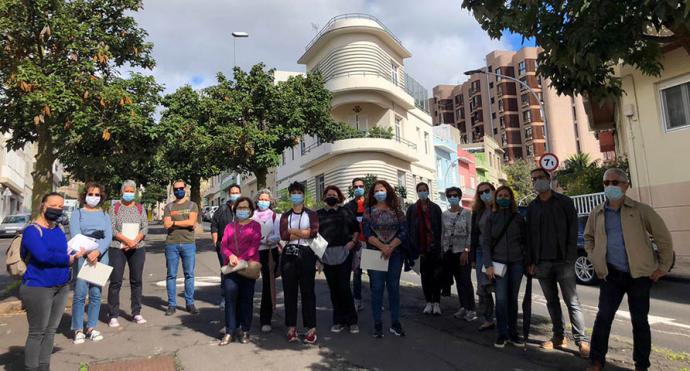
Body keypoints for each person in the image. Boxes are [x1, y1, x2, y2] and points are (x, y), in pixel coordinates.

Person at [585, 168, 674, 371]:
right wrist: (594, 256)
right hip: (611, 274)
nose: (610, 186)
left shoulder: (641, 210)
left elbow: (663, 238)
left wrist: (663, 267)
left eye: (615, 182)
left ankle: (642, 364)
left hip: (640, 276)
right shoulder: (597, 212)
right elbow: (589, 238)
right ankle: (597, 360)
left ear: (626, 185)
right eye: (606, 183)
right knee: (603, 317)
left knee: (640, 321)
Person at [526, 168, 590, 357]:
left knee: (572, 301)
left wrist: (570, 257)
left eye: (541, 178)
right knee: (551, 302)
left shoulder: (565, 202)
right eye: (534, 179)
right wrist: (530, 261)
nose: (538, 181)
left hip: (564, 261)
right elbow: (529, 236)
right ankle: (559, 336)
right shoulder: (532, 207)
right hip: (542, 263)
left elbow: (572, 231)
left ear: (549, 179)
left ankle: (582, 340)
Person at [21, 193, 86, 371]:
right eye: (53, 205)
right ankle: (31, 368)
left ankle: (44, 367)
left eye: (60, 206)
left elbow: (64, 250)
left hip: (61, 285)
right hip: (38, 286)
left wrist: (74, 253)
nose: (57, 209)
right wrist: (67, 260)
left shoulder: (58, 229)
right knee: (37, 332)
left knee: (50, 331)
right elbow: (42, 256)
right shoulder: (32, 231)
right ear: (43, 205)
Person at [483, 186, 528, 348]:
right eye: (500, 195)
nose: (503, 197)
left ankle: (514, 333)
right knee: (501, 300)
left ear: (511, 198)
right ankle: (502, 333)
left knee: (513, 299)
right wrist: (488, 265)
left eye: (506, 195)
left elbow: (525, 240)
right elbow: (486, 243)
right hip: (498, 264)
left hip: (517, 263)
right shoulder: (491, 218)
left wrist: (525, 260)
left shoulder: (518, 218)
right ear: (496, 198)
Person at [363, 180, 408, 338]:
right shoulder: (369, 210)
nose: (379, 192)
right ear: (372, 194)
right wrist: (383, 247)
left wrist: (391, 247)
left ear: (388, 191)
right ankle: (377, 324)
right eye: (376, 190)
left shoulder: (397, 210)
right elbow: (367, 233)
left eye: (382, 189)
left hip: (395, 254)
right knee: (376, 289)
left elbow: (404, 231)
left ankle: (395, 323)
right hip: (375, 253)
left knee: (394, 288)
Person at [70, 182, 113, 344]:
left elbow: (108, 236)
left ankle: (92, 327)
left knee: (96, 293)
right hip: (82, 255)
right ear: (85, 195)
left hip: (101, 256)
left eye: (97, 195)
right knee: (80, 293)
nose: (93, 197)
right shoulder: (77, 214)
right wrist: (88, 251)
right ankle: (78, 329)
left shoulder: (105, 215)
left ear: (101, 197)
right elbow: (75, 234)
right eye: (91, 194)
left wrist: (98, 251)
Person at [279, 181, 320, 344]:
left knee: (308, 292)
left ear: (303, 195)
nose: (296, 196)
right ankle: (291, 328)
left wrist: (293, 232)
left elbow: (314, 232)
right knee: (289, 293)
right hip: (289, 255)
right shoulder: (285, 215)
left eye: (299, 193)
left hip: (307, 254)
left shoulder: (311, 214)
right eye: (293, 193)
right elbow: (283, 235)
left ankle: (311, 328)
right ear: (290, 196)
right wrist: (303, 233)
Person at [219, 197, 261, 345]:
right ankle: (230, 331)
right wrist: (230, 256)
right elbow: (223, 244)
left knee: (246, 300)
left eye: (245, 208)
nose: (242, 210)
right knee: (230, 298)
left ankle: (245, 330)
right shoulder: (230, 227)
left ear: (250, 210)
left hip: (248, 267)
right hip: (232, 268)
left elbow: (254, 246)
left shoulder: (255, 225)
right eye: (240, 208)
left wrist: (240, 259)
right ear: (235, 209)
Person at [318, 185, 360, 334]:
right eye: (329, 194)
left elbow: (356, 229)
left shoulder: (346, 212)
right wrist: (319, 258)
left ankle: (352, 320)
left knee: (344, 287)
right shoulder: (319, 215)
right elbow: (315, 236)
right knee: (334, 289)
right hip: (327, 255)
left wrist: (352, 242)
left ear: (339, 197)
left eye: (334, 195)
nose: (332, 197)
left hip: (344, 253)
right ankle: (338, 320)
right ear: (324, 197)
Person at [107, 180, 149, 327]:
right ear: (122, 192)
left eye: (132, 191)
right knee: (116, 281)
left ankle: (136, 312)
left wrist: (134, 241)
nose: (129, 194)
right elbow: (111, 228)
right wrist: (126, 241)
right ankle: (113, 314)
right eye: (127, 191)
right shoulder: (114, 208)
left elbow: (145, 227)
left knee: (136, 280)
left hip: (137, 248)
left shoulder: (139, 208)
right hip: (118, 248)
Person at [163, 179, 200, 316]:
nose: (178, 191)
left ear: (185, 189)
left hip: (188, 243)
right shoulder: (169, 207)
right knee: (171, 275)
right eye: (176, 189)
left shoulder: (192, 205)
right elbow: (166, 225)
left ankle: (189, 303)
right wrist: (185, 223)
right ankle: (171, 304)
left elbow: (192, 222)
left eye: (181, 188)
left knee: (189, 274)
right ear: (173, 191)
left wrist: (174, 222)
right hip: (171, 244)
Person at [406, 182, 443, 315]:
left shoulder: (435, 208)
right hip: (419, 249)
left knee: (436, 276)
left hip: (434, 248)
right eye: (420, 190)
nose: (422, 192)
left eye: (424, 190)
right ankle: (428, 302)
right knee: (425, 277)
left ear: (428, 191)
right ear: (417, 192)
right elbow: (409, 229)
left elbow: (440, 228)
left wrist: (440, 246)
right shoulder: (412, 210)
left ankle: (437, 302)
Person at [441, 187, 476, 321]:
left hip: (463, 252)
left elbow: (470, 232)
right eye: (450, 195)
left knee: (466, 280)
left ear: (459, 197)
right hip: (449, 252)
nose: (452, 197)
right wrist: (442, 250)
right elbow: (443, 233)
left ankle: (471, 309)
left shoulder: (467, 213)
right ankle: (463, 307)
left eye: (455, 195)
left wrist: (466, 250)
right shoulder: (444, 214)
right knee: (458, 281)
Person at [253, 189, 281, 333]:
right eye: (261, 199)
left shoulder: (275, 216)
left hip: (270, 252)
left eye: (266, 199)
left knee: (268, 286)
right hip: (254, 253)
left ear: (270, 201)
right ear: (257, 200)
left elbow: (279, 235)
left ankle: (266, 319)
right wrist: (258, 239)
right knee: (248, 283)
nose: (263, 202)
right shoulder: (252, 216)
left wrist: (269, 240)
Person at [211, 184, 242, 309]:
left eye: (237, 192)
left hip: (241, 246)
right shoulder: (222, 209)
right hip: (224, 247)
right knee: (226, 271)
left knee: (240, 271)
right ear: (229, 195)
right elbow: (214, 225)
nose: (235, 194)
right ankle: (225, 297)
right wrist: (215, 242)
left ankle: (239, 297)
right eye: (232, 192)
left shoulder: (244, 208)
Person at [471, 182, 497, 331]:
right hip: (481, 251)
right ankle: (488, 319)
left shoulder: (500, 207)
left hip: (498, 252)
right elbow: (475, 234)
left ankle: (504, 319)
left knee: (499, 287)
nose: (484, 194)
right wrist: (473, 257)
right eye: (480, 193)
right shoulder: (478, 211)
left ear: (493, 190)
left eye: (487, 191)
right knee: (483, 287)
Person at [345, 177, 367, 311]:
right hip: (356, 244)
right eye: (356, 186)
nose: (358, 188)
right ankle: (357, 300)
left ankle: (377, 300)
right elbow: (347, 226)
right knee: (357, 274)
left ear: (364, 187)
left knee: (373, 274)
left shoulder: (370, 204)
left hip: (370, 244)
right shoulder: (348, 207)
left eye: (361, 186)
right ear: (353, 189)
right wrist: (353, 240)